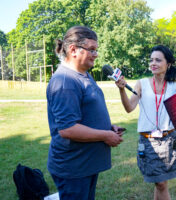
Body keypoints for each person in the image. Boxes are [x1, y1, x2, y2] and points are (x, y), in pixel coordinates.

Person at [46, 26, 123, 200]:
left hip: (85, 165)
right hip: (74, 168)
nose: (96, 54)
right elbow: (68, 129)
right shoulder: (65, 81)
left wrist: (108, 127)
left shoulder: (84, 74)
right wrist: (105, 135)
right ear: (73, 50)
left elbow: (85, 114)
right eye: (91, 50)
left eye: (96, 50)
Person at [115, 45, 176, 200]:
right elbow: (129, 107)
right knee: (160, 184)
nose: (153, 63)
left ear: (168, 64)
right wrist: (121, 90)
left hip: (169, 140)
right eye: (151, 60)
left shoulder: (175, 86)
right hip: (149, 141)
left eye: (158, 60)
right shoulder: (142, 84)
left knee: (161, 183)